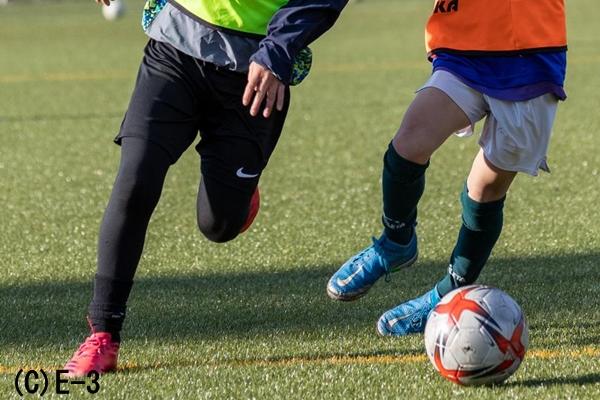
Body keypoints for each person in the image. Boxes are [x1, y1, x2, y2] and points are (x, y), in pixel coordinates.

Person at [64, 0, 348, 376]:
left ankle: (238, 194)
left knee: (219, 223)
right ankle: (103, 334)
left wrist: (280, 48)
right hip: (175, 44)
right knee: (136, 179)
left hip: (257, 66)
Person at [327, 0, 567, 336]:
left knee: (485, 189)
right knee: (409, 144)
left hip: (530, 55)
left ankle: (447, 293)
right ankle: (396, 242)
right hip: (463, 44)